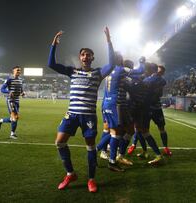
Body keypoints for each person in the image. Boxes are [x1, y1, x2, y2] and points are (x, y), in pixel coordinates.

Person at [48, 27, 114, 193]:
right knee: (59, 142)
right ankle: (70, 174)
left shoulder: (99, 73)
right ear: (80, 57)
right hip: (72, 114)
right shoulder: (72, 71)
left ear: (92, 58)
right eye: (83, 54)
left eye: (89, 54)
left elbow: (112, 64)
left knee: (90, 147)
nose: (86, 56)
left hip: (88, 116)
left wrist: (108, 41)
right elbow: (51, 64)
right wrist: (53, 45)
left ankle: (91, 179)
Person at [0, 66, 25, 139]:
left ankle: (1, 120)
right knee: (15, 117)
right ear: (13, 71)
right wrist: (9, 91)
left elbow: (21, 89)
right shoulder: (9, 79)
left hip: (17, 100)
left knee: (15, 117)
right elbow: (2, 89)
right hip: (10, 100)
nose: (19, 71)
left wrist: (22, 93)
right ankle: (12, 134)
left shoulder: (21, 80)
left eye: (19, 70)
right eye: (17, 70)